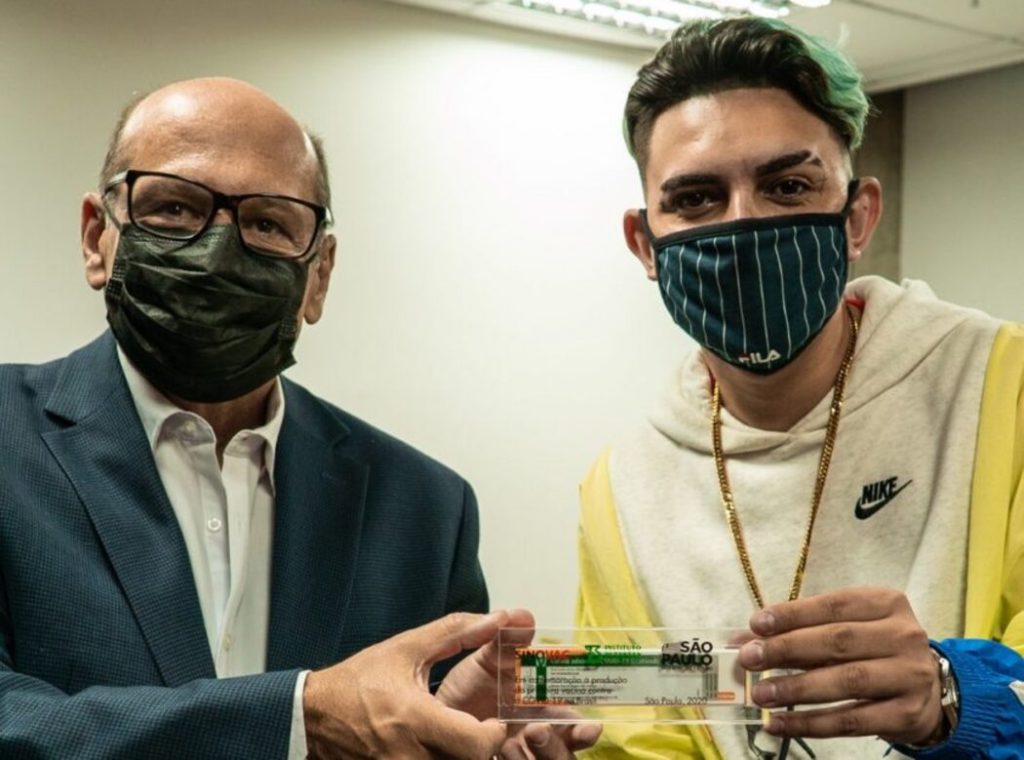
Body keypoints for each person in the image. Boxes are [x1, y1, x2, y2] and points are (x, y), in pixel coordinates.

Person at [0, 77, 598, 759]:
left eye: (267, 223)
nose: (217, 250)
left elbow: (425, 725)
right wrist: (296, 719)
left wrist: (471, 736)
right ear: (95, 237)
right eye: (173, 207)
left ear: (320, 275)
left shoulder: (426, 509)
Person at [575, 16, 1024, 760]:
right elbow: (639, 728)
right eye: (697, 198)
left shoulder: (1002, 389)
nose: (744, 225)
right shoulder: (623, 485)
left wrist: (955, 698)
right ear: (645, 244)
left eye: (787, 186)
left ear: (857, 218)